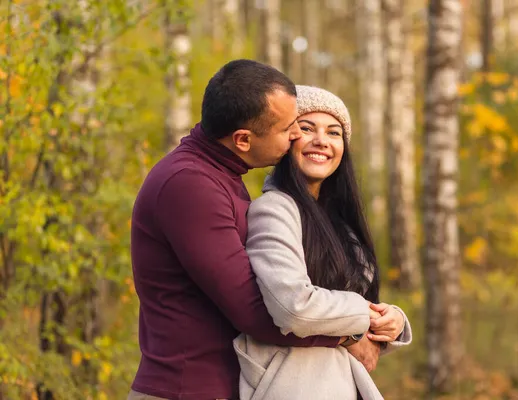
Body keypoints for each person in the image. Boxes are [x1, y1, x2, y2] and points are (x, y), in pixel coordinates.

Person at [128, 61, 382, 400]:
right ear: (243, 140)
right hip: (187, 387)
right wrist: (350, 334)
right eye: (289, 128)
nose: (297, 135)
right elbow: (255, 309)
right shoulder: (190, 185)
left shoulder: (220, 177)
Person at [234, 85, 412, 400]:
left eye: (333, 132)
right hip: (292, 385)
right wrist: (360, 321)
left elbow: (347, 306)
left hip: (337, 382)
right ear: (286, 139)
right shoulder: (274, 209)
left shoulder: (341, 224)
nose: (321, 141)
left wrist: (392, 321)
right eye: (306, 128)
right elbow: (293, 306)